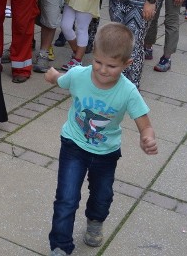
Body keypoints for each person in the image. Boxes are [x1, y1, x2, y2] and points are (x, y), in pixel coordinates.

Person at [44, 22, 158, 256]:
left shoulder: (128, 91)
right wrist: (54, 75)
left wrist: (147, 137)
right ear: (93, 56)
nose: (103, 70)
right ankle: (60, 246)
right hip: (73, 145)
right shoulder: (79, 75)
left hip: (106, 153)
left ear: (127, 64)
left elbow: (144, 124)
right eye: (98, 62)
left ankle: (95, 220)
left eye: (111, 65)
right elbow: (62, 80)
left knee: (102, 195)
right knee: (66, 197)